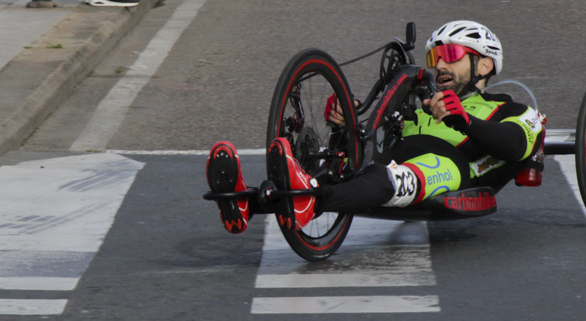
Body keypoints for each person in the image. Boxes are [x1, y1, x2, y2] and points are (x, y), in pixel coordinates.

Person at [206, 21, 545, 233]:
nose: (439, 64)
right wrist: (346, 123)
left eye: (451, 54)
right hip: (395, 157)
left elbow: (516, 144)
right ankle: (247, 202)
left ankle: (311, 201)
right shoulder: (423, 104)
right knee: (356, 171)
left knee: (396, 177)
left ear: (484, 63)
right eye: (434, 57)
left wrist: (464, 120)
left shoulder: (509, 108)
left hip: (452, 166)